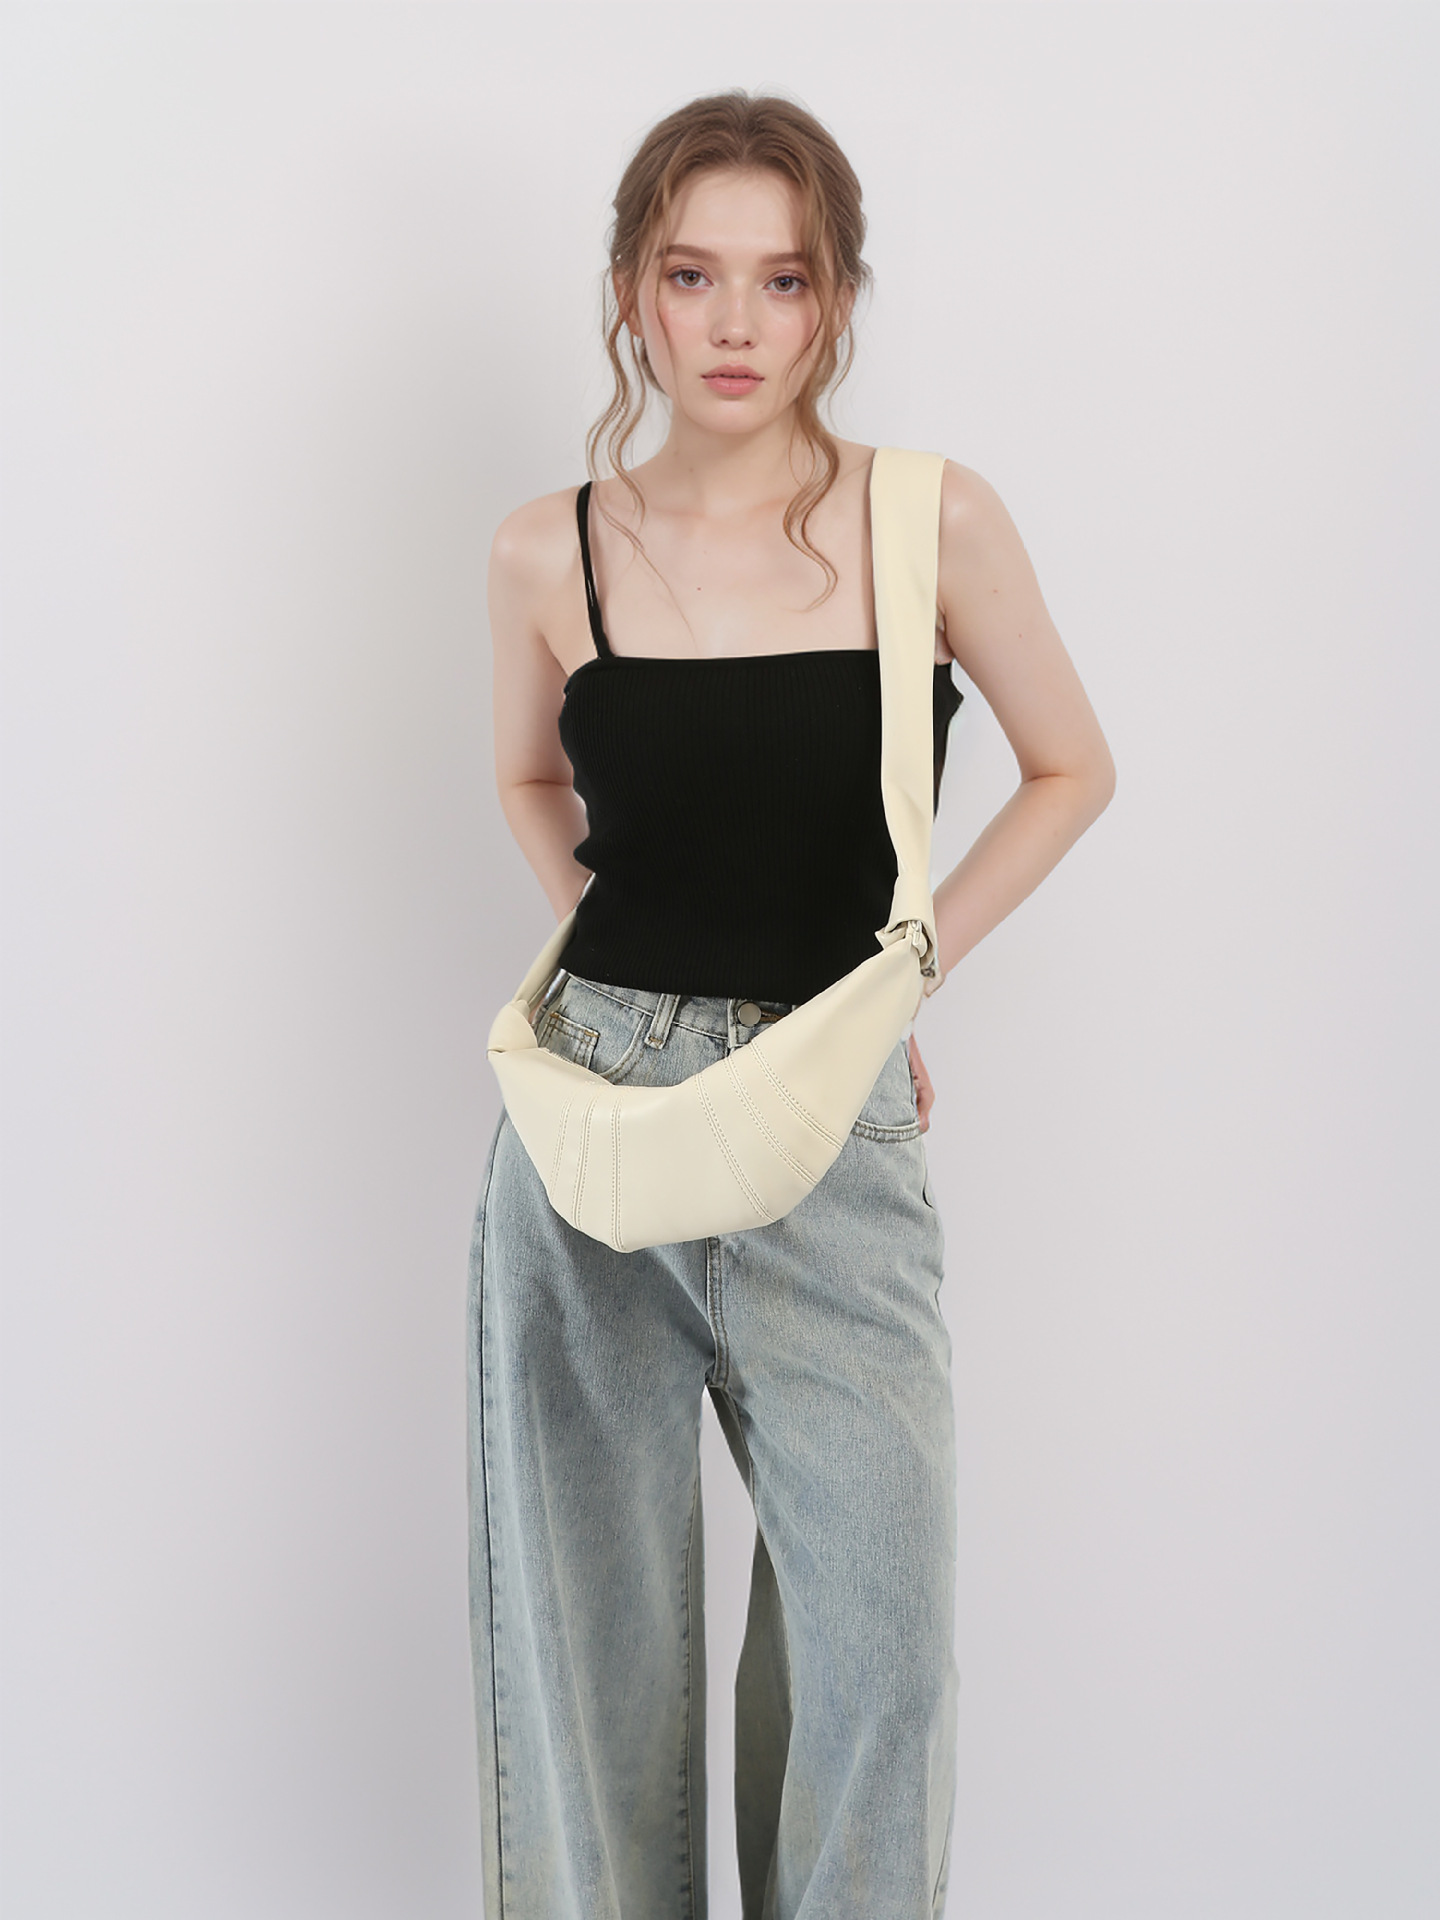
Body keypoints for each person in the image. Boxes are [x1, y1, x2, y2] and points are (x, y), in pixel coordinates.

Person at [467, 90, 1115, 1920]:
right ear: (632, 294)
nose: (736, 324)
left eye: (784, 279)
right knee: (586, 1649)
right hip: (589, 1121)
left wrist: (897, 983)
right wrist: (618, 959)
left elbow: (1073, 768)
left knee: (879, 1660)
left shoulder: (929, 521)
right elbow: (527, 781)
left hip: (837, 1130)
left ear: (836, 299)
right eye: (693, 277)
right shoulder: (548, 549)